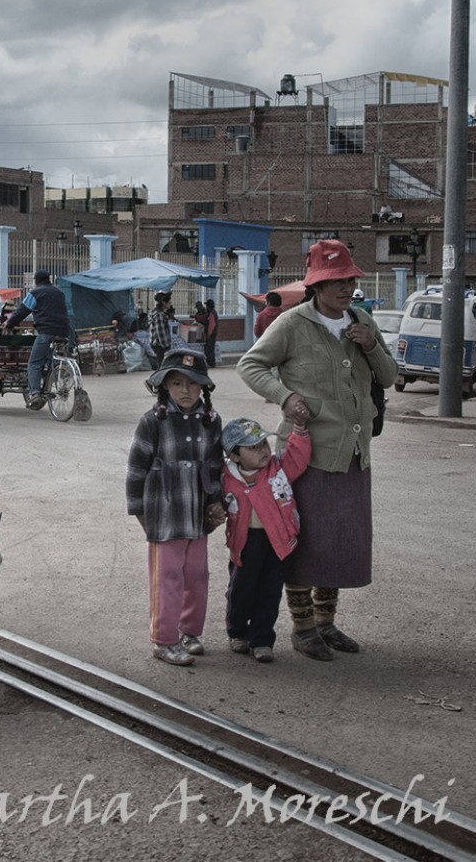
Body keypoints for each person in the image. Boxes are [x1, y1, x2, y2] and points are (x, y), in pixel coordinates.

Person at [237, 239, 396, 661]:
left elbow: (390, 375)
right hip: (306, 453)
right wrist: (285, 397)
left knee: (340, 543)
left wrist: (370, 345)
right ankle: (303, 627)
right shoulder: (291, 324)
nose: (346, 288)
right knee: (304, 542)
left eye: (349, 279)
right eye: (336, 281)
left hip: (354, 452)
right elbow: (250, 364)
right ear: (316, 287)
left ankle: (327, 622)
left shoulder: (362, 321)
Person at [125, 350, 226, 666]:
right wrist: (139, 511)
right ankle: (164, 640)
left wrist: (216, 503)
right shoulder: (153, 422)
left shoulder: (211, 422)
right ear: (164, 386)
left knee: (197, 576)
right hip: (164, 517)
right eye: (177, 383)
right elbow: (136, 469)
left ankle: (190, 633)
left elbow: (215, 468)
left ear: (203, 388)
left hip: (197, 517)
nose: (185, 391)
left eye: (193, 384)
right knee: (167, 577)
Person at [220, 416, 311, 663]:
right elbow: (215, 503)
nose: (262, 449)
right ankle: (238, 632)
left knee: (270, 592)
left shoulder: (278, 468)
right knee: (241, 590)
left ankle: (261, 639)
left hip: (276, 543)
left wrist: (300, 430)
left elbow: (298, 457)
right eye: (252, 447)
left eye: (263, 443)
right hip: (245, 544)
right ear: (235, 456)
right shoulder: (226, 478)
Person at [5, 269, 71, 410]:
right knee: (51, 358)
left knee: (34, 363)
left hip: (46, 332)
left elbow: (22, 311)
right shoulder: (59, 292)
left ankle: (35, 393)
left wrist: (9, 324)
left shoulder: (35, 293)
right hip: (64, 332)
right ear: (49, 279)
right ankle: (59, 373)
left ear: (36, 281)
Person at [148, 293, 172, 367]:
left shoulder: (156, 313)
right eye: (169, 302)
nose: (170, 304)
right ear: (164, 303)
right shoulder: (159, 315)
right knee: (163, 366)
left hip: (157, 344)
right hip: (160, 345)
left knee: (162, 365)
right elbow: (160, 332)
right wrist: (166, 346)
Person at [194, 299, 219, 367]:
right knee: (210, 348)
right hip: (211, 334)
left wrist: (208, 334)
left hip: (211, 335)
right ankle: (211, 362)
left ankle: (211, 362)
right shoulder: (210, 313)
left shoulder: (212, 313)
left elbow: (212, 325)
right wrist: (196, 317)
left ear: (209, 306)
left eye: (207, 305)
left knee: (209, 349)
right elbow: (203, 318)